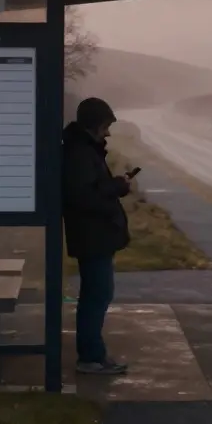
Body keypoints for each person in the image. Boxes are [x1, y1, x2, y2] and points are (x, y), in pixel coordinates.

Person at [62, 97, 133, 375]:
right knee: (97, 295)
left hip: (93, 236)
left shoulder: (82, 150)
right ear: (93, 126)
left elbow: (89, 189)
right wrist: (116, 189)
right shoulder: (79, 153)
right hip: (91, 237)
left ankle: (93, 354)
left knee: (97, 294)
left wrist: (113, 186)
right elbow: (82, 197)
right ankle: (91, 357)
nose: (108, 133)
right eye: (105, 126)